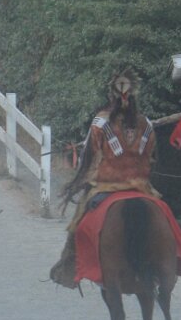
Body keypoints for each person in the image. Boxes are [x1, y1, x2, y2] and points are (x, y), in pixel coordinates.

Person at [50, 68, 157, 288]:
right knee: (163, 214)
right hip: (141, 186)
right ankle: (163, 269)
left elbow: (89, 156)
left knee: (78, 221)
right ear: (134, 94)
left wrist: (85, 177)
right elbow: (150, 156)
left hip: (108, 185)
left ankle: (68, 269)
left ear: (111, 95)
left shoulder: (100, 122)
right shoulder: (146, 124)